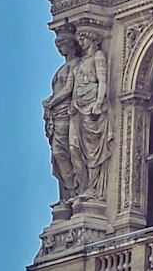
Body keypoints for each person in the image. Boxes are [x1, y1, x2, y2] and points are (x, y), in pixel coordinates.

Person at [69, 26, 113, 201]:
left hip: (92, 108)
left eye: (83, 38)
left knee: (93, 151)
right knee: (74, 147)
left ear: (93, 39)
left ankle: (93, 189)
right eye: (79, 38)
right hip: (77, 107)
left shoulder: (99, 57)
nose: (80, 42)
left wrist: (99, 102)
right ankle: (82, 186)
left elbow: (103, 82)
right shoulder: (80, 62)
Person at [42, 23, 79, 205]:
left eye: (61, 44)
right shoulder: (62, 69)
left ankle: (74, 190)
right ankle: (69, 194)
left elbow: (69, 89)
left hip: (64, 112)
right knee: (58, 154)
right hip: (56, 114)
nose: (59, 48)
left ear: (70, 44)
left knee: (63, 151)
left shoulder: (76, 65)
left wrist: (52, 101)